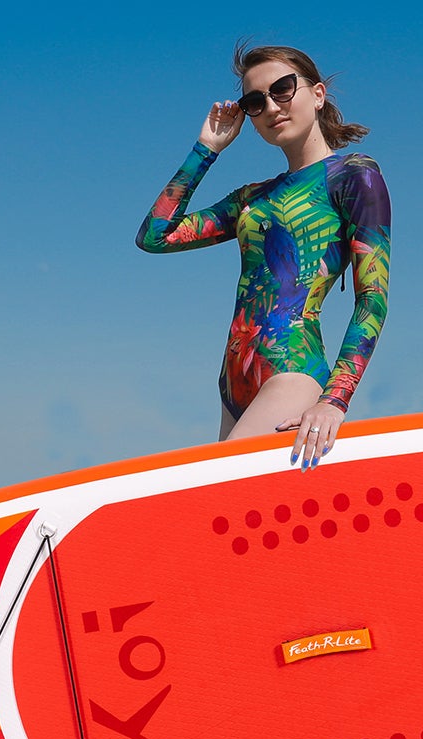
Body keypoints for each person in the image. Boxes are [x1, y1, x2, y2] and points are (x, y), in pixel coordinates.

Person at [136, 44, 391, 470]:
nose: (271, 106)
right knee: (228, 524)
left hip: (291, 372)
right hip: (233, 382)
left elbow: (373, 298)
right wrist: (207, 148)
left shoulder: (355, 177)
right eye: (256, 101)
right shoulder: (252, 198)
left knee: (216, 493)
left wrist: (335, 399)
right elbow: (155, 236)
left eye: (283, 89)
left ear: (318, 94)